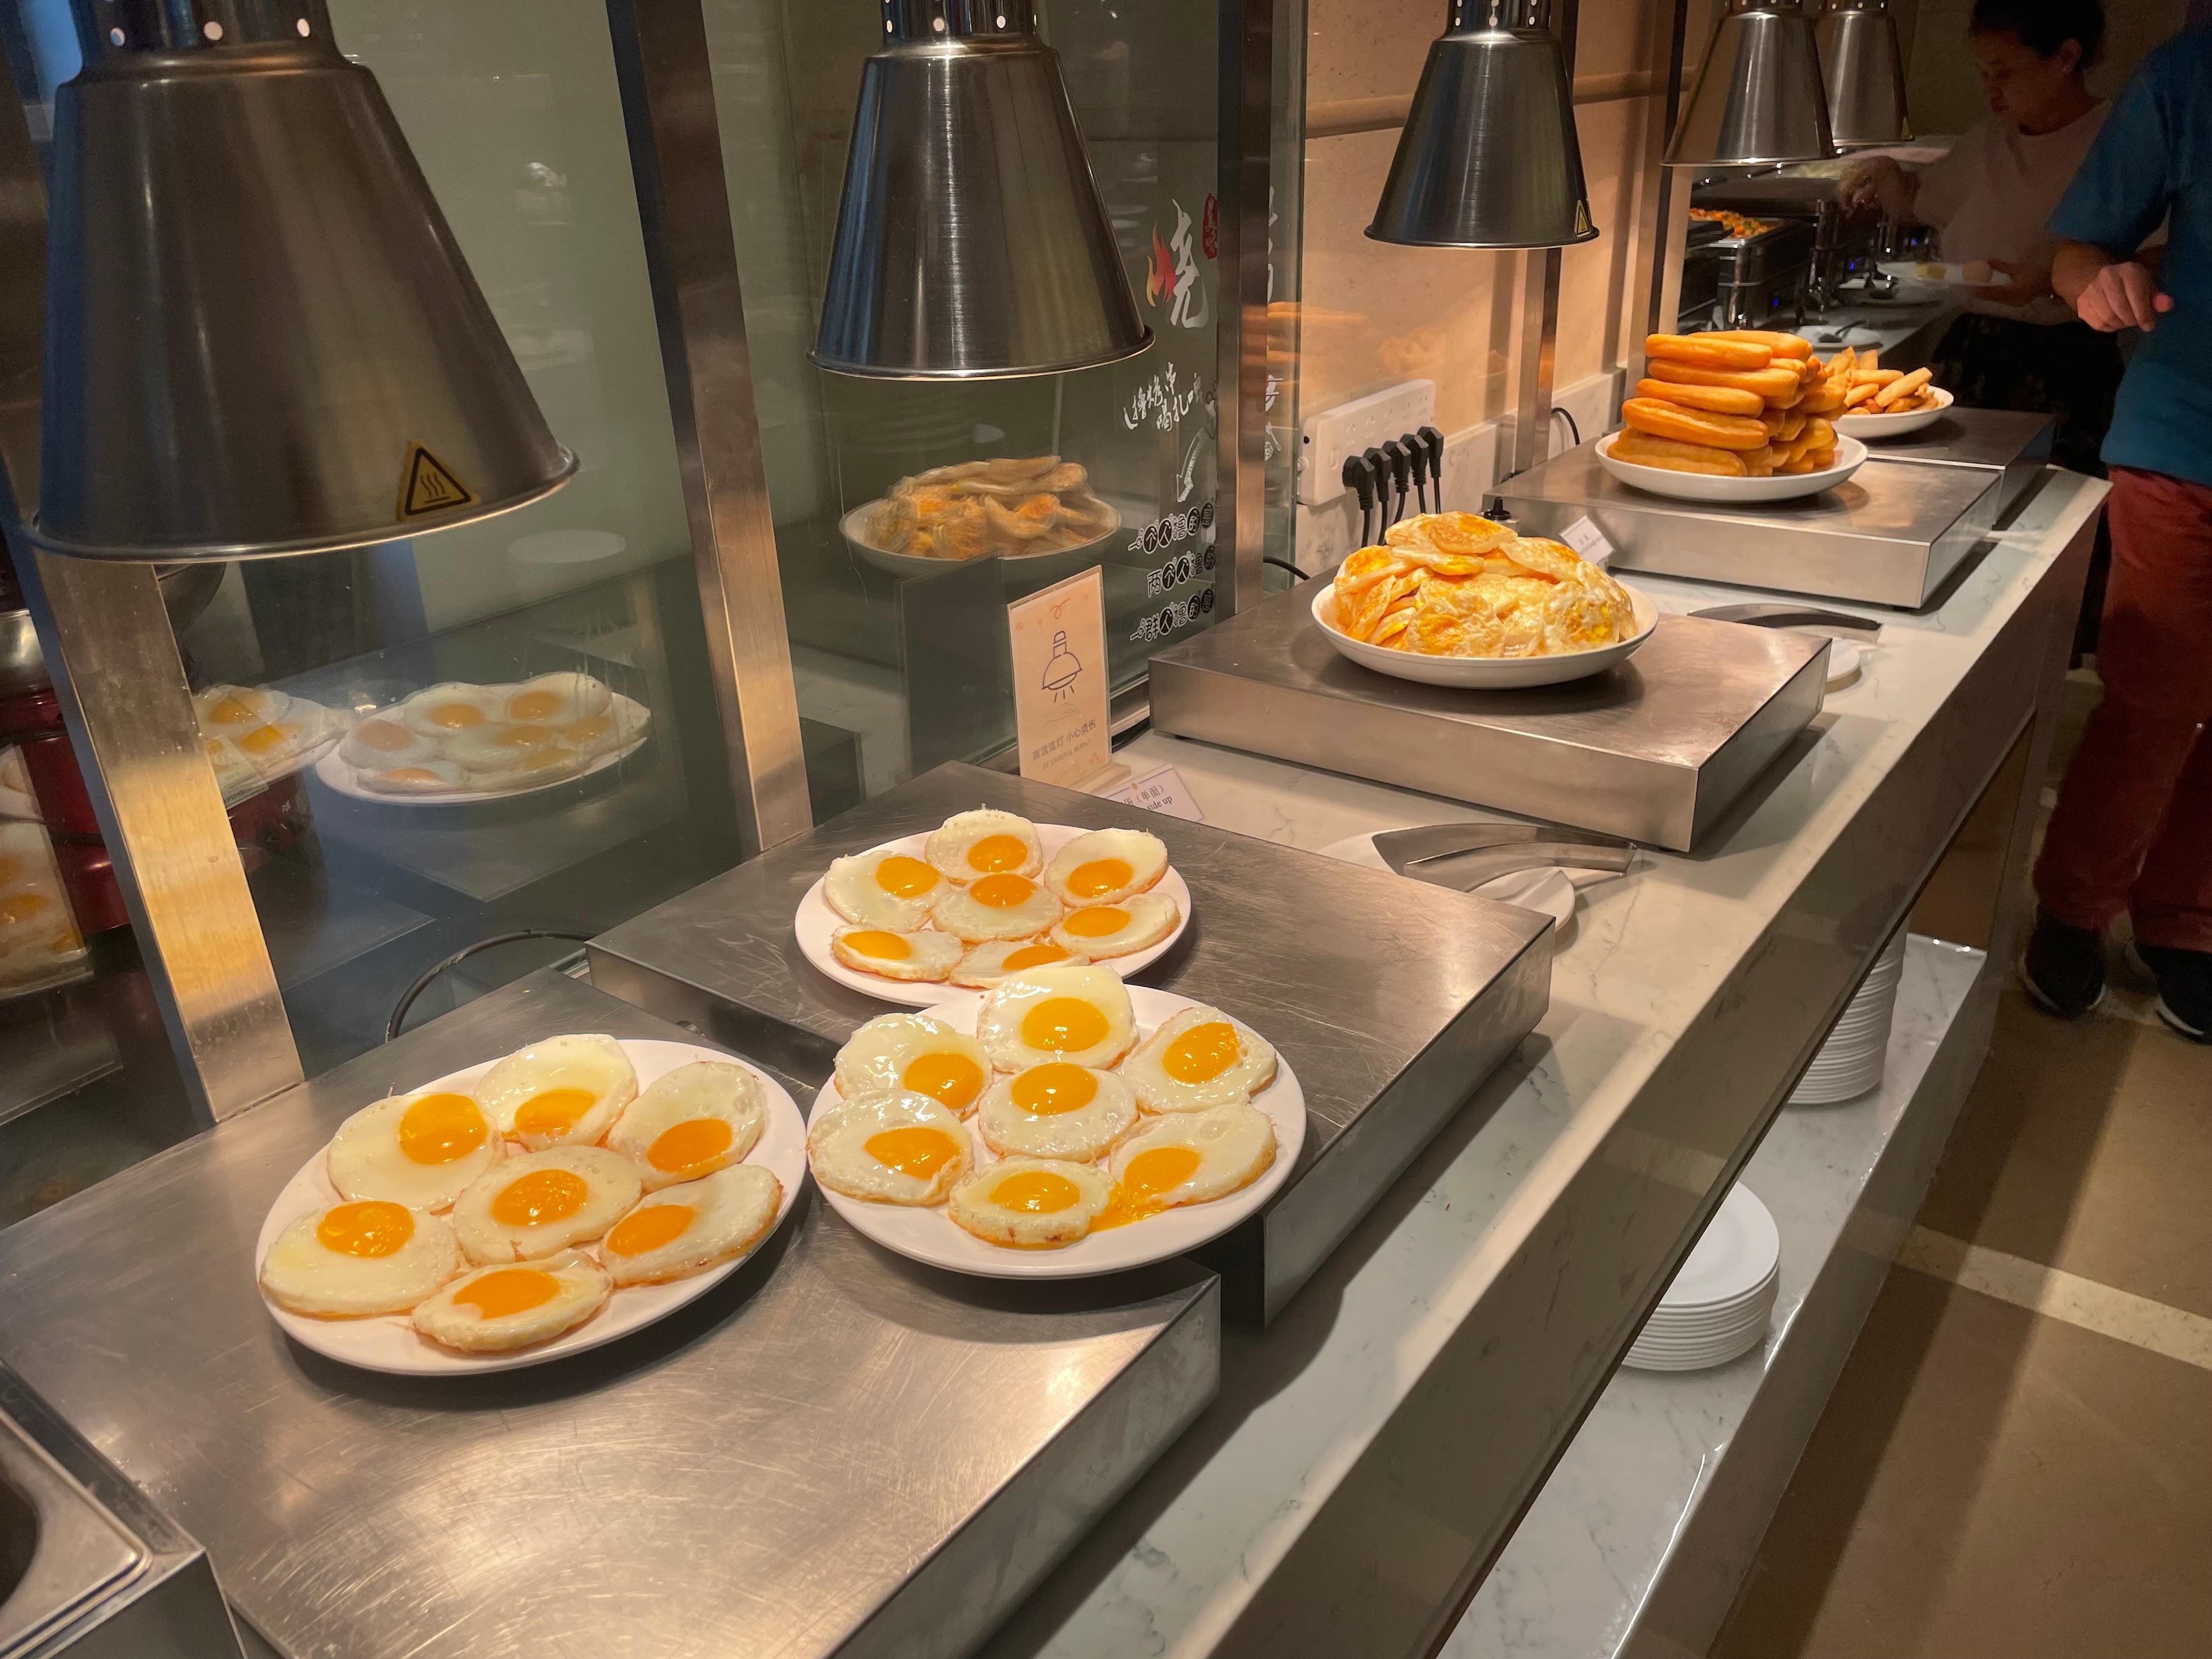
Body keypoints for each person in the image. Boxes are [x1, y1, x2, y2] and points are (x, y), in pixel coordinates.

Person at [2023, 20, 2212, 1040]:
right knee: (2156, 696)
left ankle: (2188, 922)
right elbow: (2074, 253)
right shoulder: (2190, 72)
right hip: (2186, 431)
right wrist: (2096, 283)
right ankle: (2075, 906)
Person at [1840, 0, 2122, 650]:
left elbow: (2145, 253)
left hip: (2066, 365)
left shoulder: (2113, 140)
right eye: (1983, 73)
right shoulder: (1992, 137)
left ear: (2066, 57)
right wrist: (1885, 178)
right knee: (1952, 537)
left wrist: (2048, 276)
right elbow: (1925, 203)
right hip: (1975, 352)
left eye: (2005, 72)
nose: (1991, 91)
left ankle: (2032, 666)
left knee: (2039, 548)